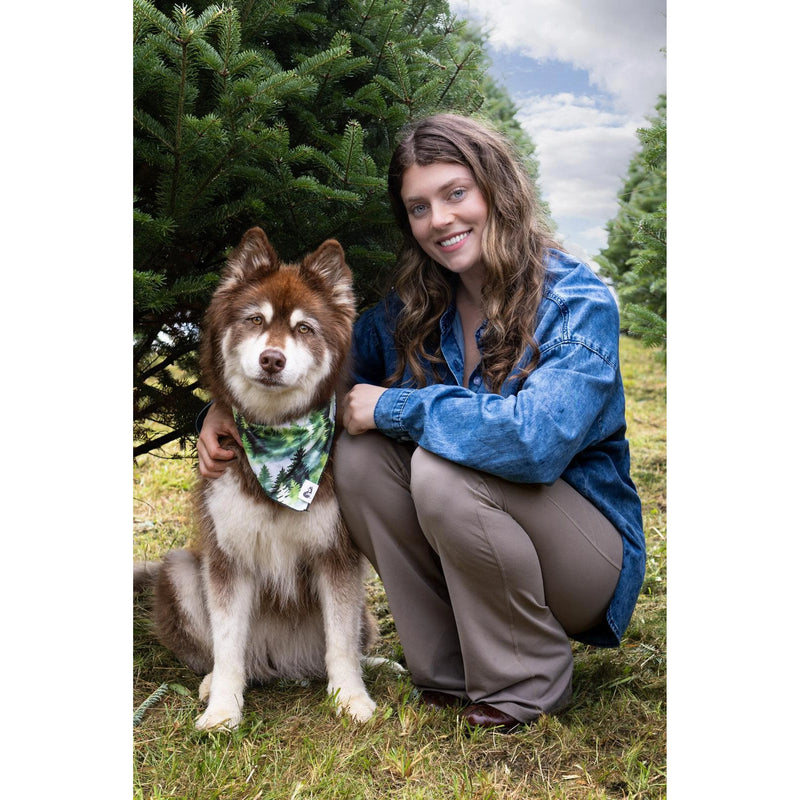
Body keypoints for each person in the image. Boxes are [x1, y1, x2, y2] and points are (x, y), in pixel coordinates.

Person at [197, 113, 646, 732]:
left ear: (498, 190)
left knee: (439, 467)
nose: (439, 220)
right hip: (487, 540)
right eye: (418, 207)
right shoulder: (415, 308)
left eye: (455, 194)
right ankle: (446, 670)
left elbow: (535, 442)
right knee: (357, 459)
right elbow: (320, 371)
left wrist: (397, 406)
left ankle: (528, 679)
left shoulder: (577, 302)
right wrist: (226, 402)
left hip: (582, 558)